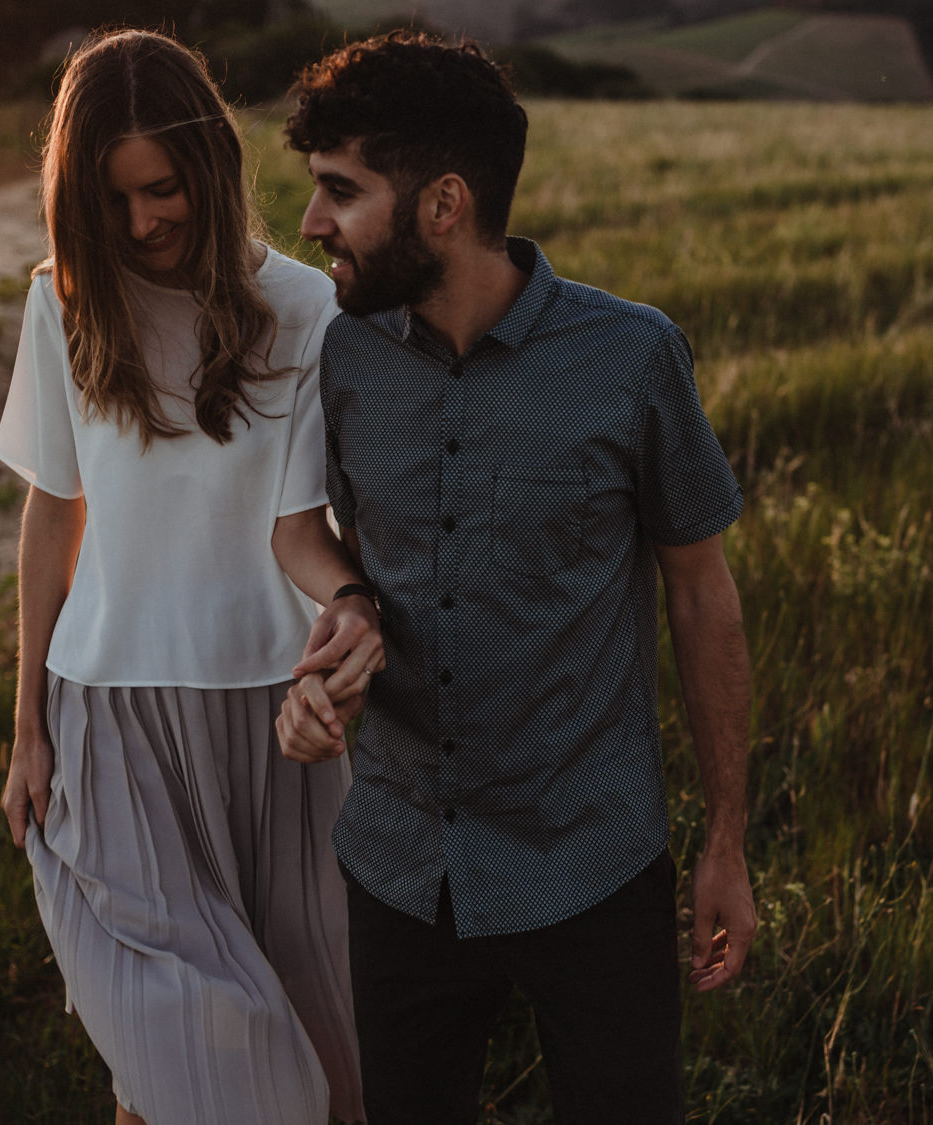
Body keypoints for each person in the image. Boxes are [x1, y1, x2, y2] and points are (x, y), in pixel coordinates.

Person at [275, 30, 756, 1124]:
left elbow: (700, 592)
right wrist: (343, 621)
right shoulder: (340, 356)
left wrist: (725, 843)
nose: (312, 225)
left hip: (590, 860)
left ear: (443, 204)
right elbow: (307, 534)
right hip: (399, 863)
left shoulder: (632, 358)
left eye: (339, 193)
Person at [0, 29, 379, 1125]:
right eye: (109, 201)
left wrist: (351, 628)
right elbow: (52, 513)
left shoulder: (308, 312)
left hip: (279, 736)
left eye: (160, 189)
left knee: (324, 1066)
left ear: (208, 166)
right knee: (199, 1060)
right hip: (110, 723)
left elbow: (309, 526)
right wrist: (29, 726)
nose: (140, 223)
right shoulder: (61, 303)